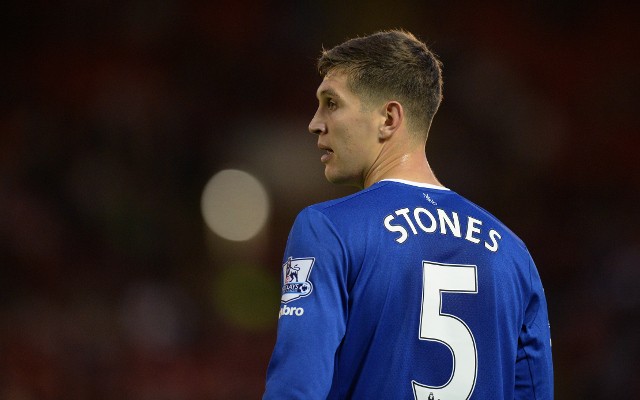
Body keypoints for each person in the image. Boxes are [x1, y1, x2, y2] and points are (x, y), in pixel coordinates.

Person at [263, 30, 554, 399]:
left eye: (331, 103)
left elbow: (295, 390)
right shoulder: (513, 254)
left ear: (388, 118)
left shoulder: (328, 230)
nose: (315, 123)